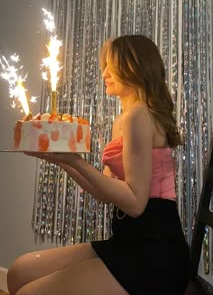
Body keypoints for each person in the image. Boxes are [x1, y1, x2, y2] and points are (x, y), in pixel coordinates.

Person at [7, 35, 190, 295]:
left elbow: (136, 204)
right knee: (18, 272)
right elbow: (107, 192)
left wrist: (75, 161)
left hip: (154, 256)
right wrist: (61, 160)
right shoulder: (125, 119)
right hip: (126, 243)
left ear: (135, 67)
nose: (104, 73)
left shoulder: (139, 117)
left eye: (111, 66)